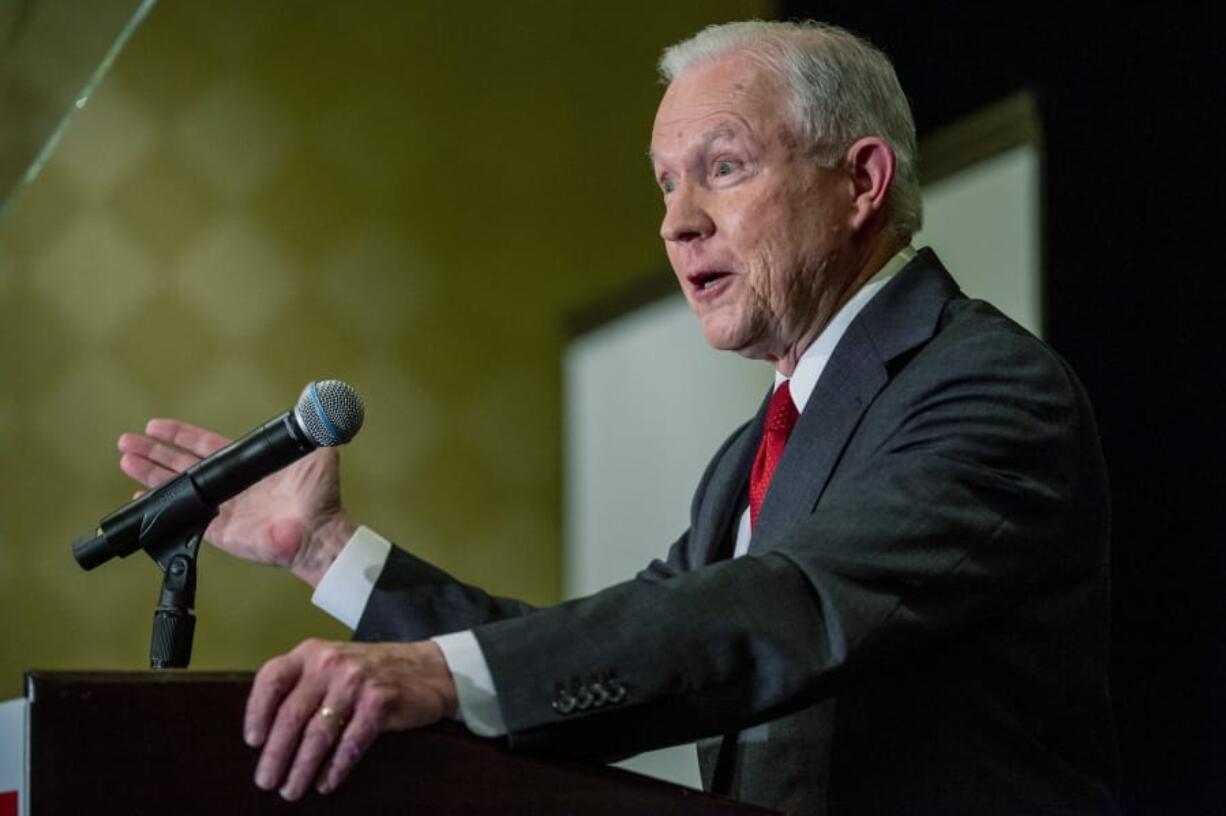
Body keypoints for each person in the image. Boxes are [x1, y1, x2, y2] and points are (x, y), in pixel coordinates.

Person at [117, 20, 1119, 815]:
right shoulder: (750, 455)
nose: (675, 221)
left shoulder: (986, 389)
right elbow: (610, 658)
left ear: (859, 181)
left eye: (722, 167)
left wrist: (433, 670)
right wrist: (324, 550)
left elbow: (783, 608)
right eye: (665, 181)